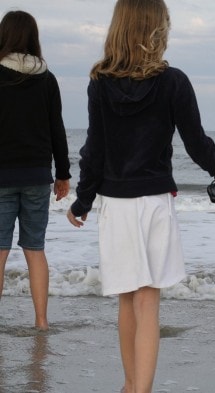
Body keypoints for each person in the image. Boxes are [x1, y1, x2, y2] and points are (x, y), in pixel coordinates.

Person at [66, 1, 215, 392]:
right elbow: (196, 142)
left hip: (115, 203)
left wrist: (82, 200)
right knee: (148, 301)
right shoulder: (173, 81)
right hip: (154, 202)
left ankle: (131, 387)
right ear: (157, 29)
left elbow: (94, 150)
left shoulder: (100, 80)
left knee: (127, 299)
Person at [0, 10, 71, 331]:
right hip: (37, 176)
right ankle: (42, 322)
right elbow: (57, 128)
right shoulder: (47, 78)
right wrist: (63, 174)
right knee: (35, 249)